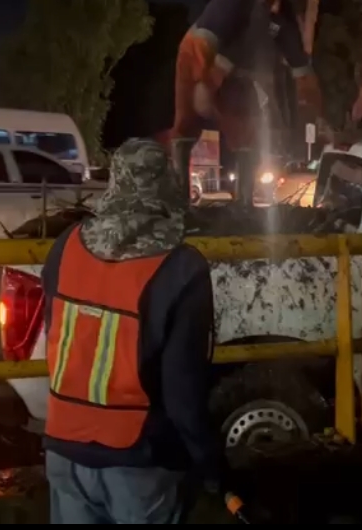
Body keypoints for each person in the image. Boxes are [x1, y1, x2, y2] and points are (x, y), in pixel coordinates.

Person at [40, 138, 224, 524]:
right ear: (168, 185)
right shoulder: (182, 268)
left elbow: (58, 339)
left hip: (64, 451)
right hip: (138, 464)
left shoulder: (65, 247)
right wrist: (211, 464)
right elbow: (183, 395)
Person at [167, 0, 328, 206]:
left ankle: (243, 205)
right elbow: (206, 42)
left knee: (245, 131)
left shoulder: (284, 16)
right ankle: (180, 201)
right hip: (200, 51)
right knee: (188, 122)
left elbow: (302, 69)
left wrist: (316, 114)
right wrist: (204, 83)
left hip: (239, 72)